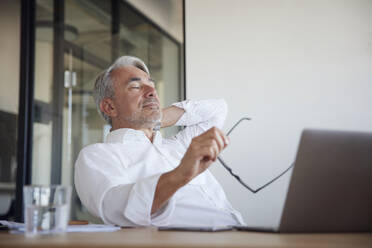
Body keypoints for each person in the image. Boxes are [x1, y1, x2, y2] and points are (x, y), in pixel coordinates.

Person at [74, 56, 245, 227]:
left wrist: (155, 118)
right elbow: (116, 208)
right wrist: (181, 174)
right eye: (135, 86)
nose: (151, 92)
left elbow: (218, 109)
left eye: (152, 85)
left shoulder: (179, 145)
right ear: (110, 107)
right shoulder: (97, 155)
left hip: (243, 231)